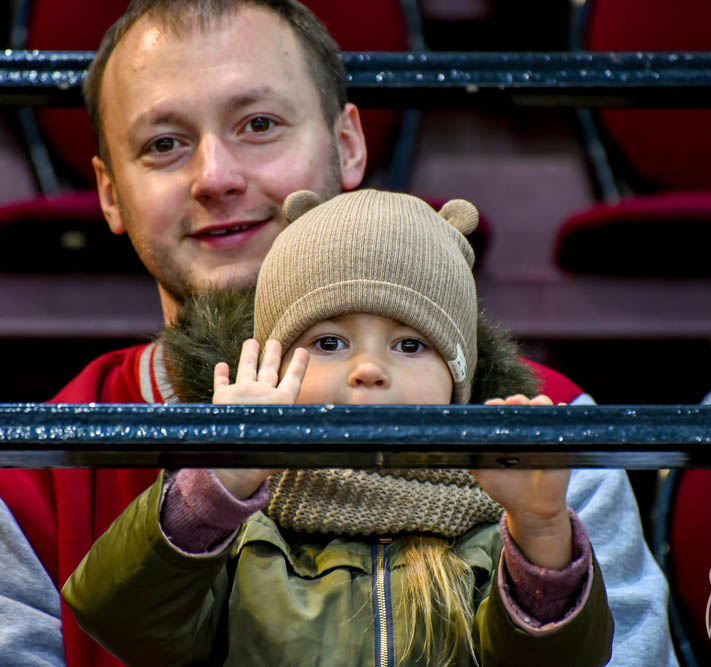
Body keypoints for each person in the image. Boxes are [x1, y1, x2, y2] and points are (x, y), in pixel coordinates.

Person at [0, 2, 676, 666]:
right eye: (164, 144)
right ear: (110, 191)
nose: (214, 175)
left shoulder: (545, 432)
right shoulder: (16, 478)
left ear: (347, 147)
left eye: (259, 124)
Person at [62, 188, 615, 666]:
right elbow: (125, 622)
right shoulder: (245, 531)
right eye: (329, 343)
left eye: (410, 344)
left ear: (458, 383)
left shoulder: (493, 529)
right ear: (276, 369)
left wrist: (539, 528)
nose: (369, 369)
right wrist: (216, 482)